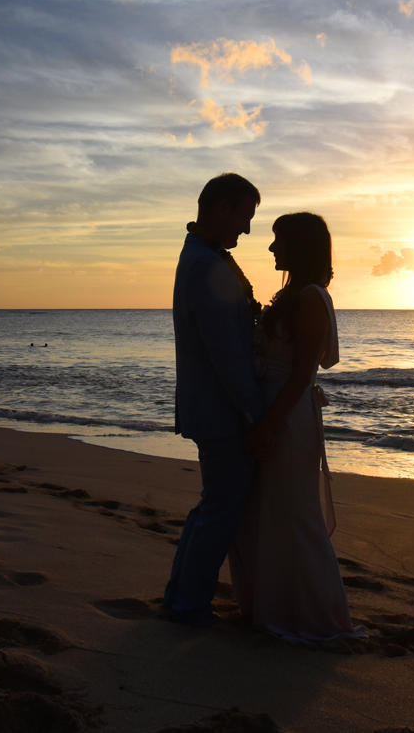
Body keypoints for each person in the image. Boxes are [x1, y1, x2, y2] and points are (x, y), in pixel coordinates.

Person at [229, 212, 366, 642]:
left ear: (299, 246)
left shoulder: (310, 297)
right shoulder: (291, 296)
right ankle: (270, 608)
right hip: (271, 414)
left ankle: (315, 617)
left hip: (287, 420)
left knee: (295, 515)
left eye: (278, 240)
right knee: (265, 516)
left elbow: (302, 374)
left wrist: (266, 427)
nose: (272, 248)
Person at [163, 173, 268, 626]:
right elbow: (227, 354)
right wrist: (254, 414)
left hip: (210, 409)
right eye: (245, 217)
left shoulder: (201, 256)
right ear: (222, 208)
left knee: (213, 504)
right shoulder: (206, 265)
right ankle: (188, 604)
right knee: (220, 510)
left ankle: (180, 595)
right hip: (221, 413)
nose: (246, 229)